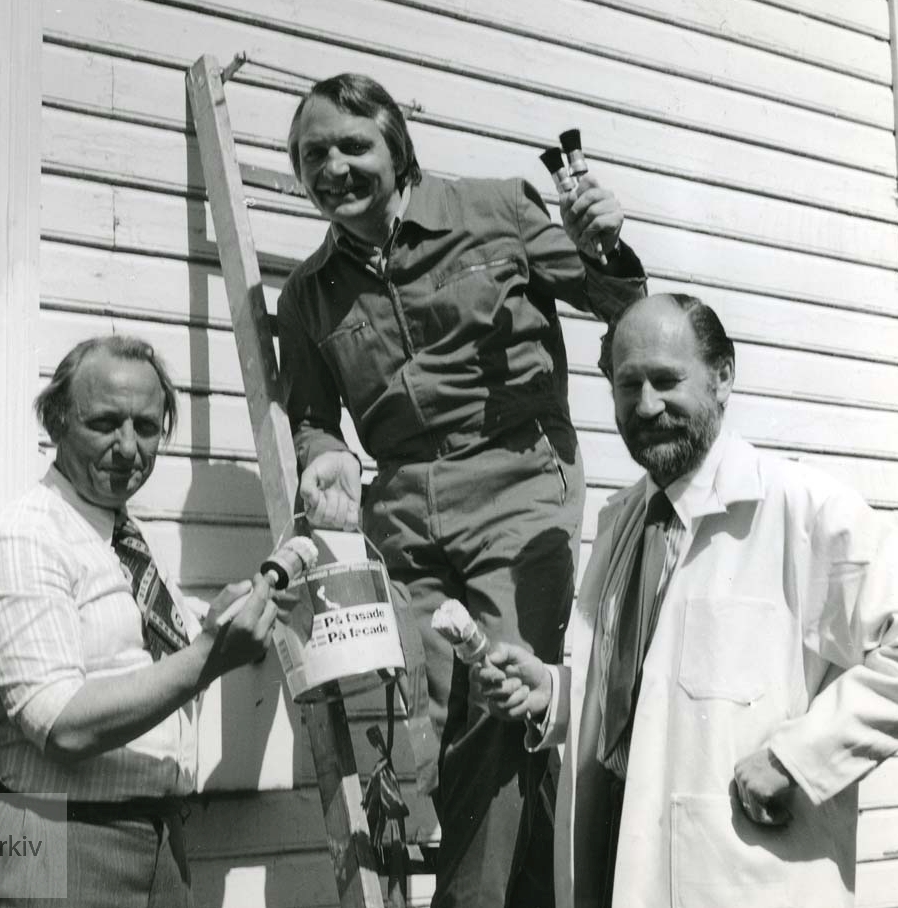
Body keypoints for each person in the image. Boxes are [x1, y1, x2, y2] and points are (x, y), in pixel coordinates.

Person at [276, 72, 647, 905]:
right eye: (312, 155)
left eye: (352, 145)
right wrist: (324, 455)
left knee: (502, 687)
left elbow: (613, 300)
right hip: (403, 505)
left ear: (397, 148)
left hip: (518, 478)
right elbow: (311, 415)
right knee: (415, 706)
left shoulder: (497, 210)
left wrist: (604, 245)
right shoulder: (307, 293)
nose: (332, 166)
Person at [478, 293, 898, 908]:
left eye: (666, 380)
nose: (646, 405)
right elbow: (646, 697)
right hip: (617, 865)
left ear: (723, 379)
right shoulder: (622, 521)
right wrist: (555, 694)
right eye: (628, 385)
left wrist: (798, 758)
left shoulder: (800, 509)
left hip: (739, 880)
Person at [0, 335, 282, 908]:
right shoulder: (25, 537)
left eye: (147, 427)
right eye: (105, 423)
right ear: (56, 424)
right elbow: (62, 724)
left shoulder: (118, 539)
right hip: (58, 842)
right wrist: (207, 656)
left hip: (153, 839)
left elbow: (131, 668)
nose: (129, 448)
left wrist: (215, 622)